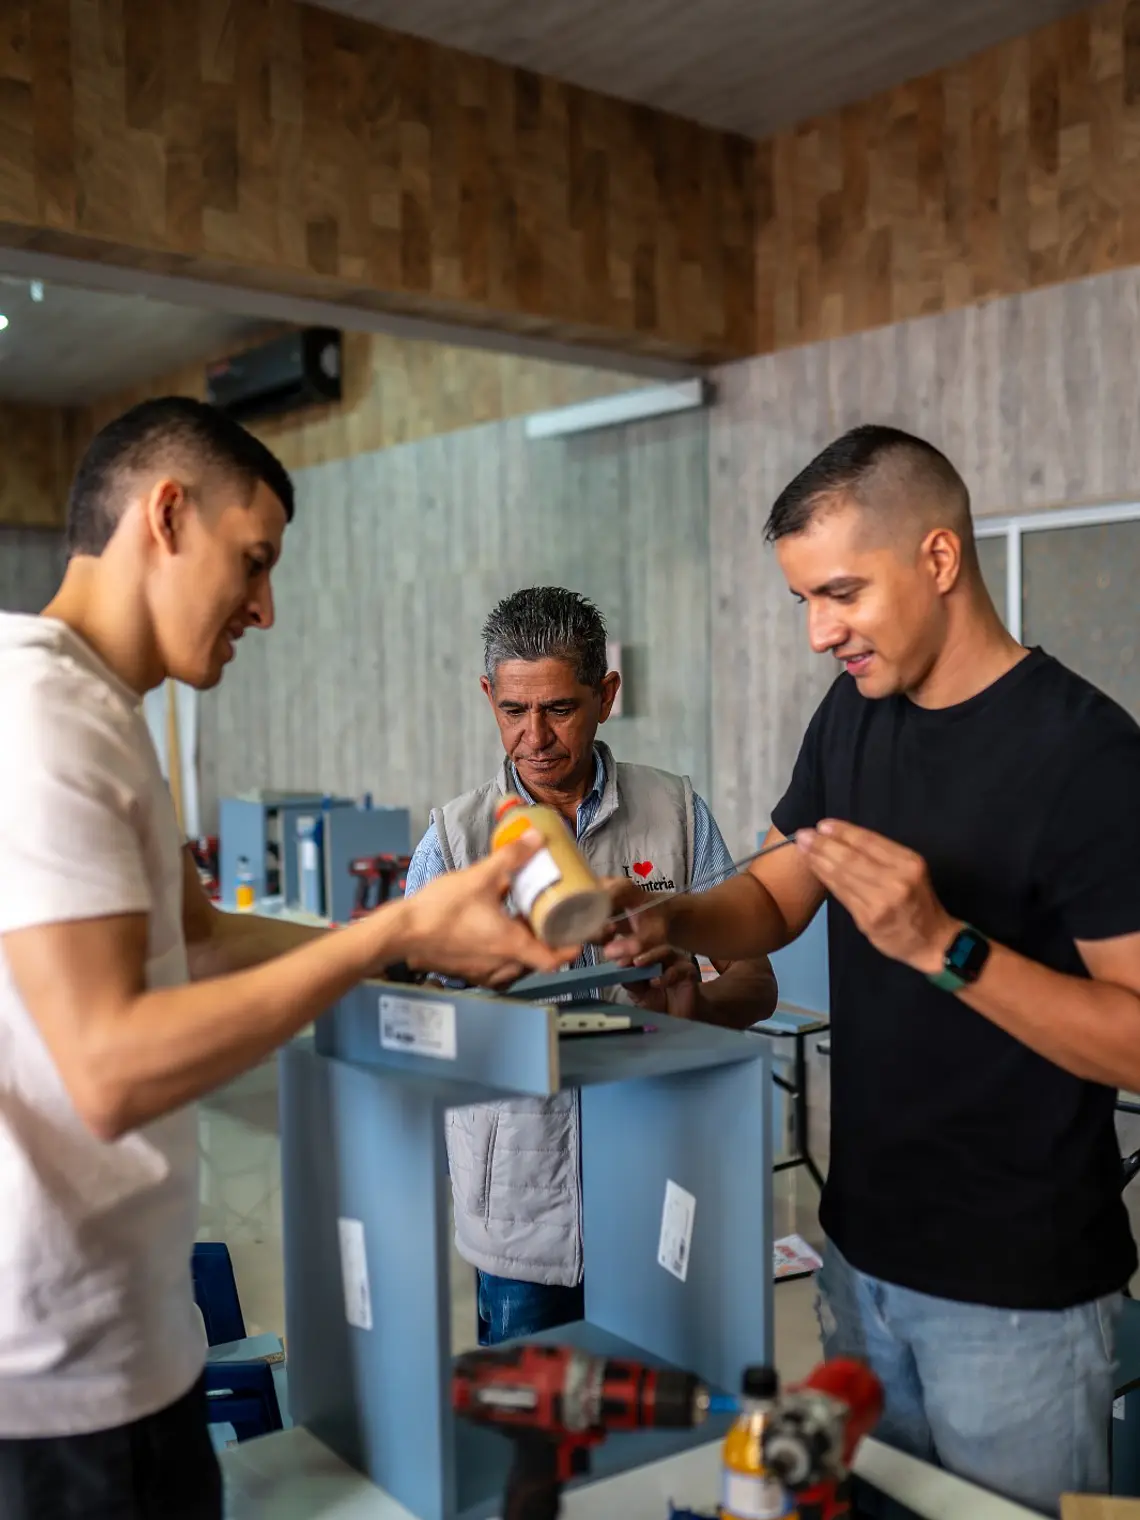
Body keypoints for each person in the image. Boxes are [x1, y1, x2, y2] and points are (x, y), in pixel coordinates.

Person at [0, 398, 567, 1520]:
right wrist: (393, 929)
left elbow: (199, 938)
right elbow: (106, 1068)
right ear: (165, 514)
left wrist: (414, 950)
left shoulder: (96, 708)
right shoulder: (49, 720)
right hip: (62, 1379)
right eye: (252, 562)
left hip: (122, 1335)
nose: (266, 606)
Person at [607, 424, 1140, 1516]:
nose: (817, 631)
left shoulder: (1091, 758)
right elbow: (774, 890)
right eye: (804, 598)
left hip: (1020, 1296)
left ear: (939, 560)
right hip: (861, 1257)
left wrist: (943, 946)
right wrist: (666, 917)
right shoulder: (856, 712)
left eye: (840, 591)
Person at [405, 585, 778, 1345]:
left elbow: (754, 984)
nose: (535, 738)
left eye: (560, 709)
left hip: (659, 1185)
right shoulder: (454, 840)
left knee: (661, 1417)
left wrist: (684, 1001)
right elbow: (407, 1021)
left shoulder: (672, 813)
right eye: (513, 711)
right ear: (489, 697)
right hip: (520, 1209)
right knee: (537, 1439)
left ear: (606, 695)